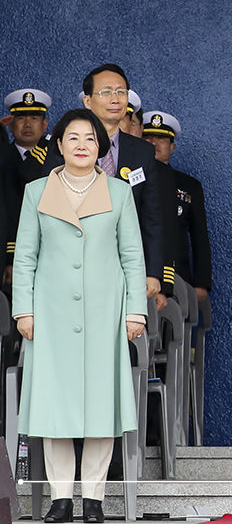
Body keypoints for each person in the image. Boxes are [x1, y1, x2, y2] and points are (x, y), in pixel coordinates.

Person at [12, 108, 147, 523]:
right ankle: (60, 499)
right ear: (58, 145)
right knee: (55, 410)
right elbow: (26, 258)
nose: (82, 145)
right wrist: (24, 310)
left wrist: (135, 311)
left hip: (105, 314)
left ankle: (93, 499)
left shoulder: (119, 193)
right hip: (49, 316)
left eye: (90, 138)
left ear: (100, 146)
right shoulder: (36, 192)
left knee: (100, 408)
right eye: (73, 138)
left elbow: (132, 257)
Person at [40, 65, 173, 305]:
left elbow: (152, 216)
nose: (115, 98)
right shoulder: (62, 146)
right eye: (106, 92)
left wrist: (153, 272)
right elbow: (47, 210)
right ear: (88, 101)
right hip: (70, 266)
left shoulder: (142, 151)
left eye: (121, 92)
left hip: (124, 270)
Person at [143, 111, 212, 302]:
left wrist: (201, 282)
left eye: (161, 139)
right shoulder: (132, 178)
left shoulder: (189, 186)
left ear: (172, 147)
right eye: (147, 138)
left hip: (177, 276)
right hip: (139, 273)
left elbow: (199, 236)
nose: (154, 143)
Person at [3, 89, 52, 292]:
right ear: (11, 123)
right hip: (7, 257)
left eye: (34, 118)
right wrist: (11, 258)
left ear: (45, 124)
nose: (28, 124)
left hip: (50, 257)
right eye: (21, 118)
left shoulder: (57, 160)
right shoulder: (3, 158)